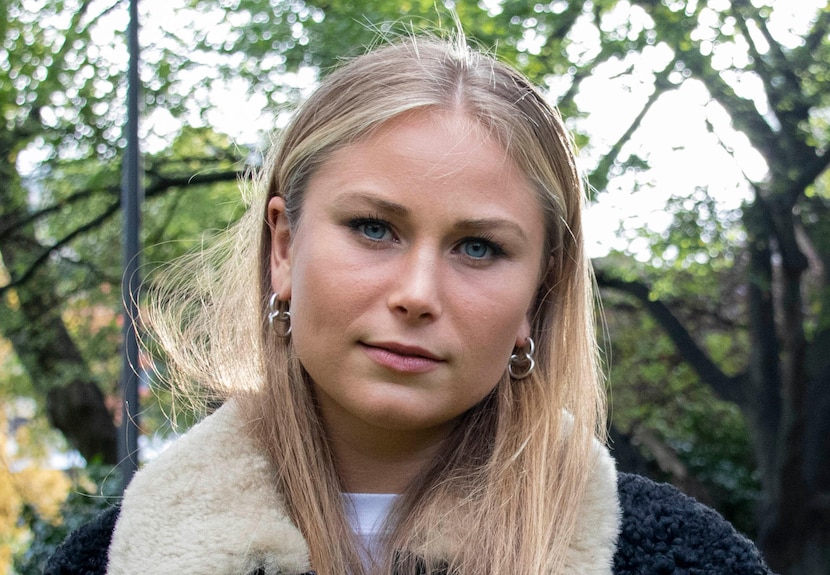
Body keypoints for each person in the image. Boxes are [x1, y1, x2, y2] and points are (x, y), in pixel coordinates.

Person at [45, 36, 774, 575]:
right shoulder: (109, 558)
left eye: (479, 247)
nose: (418, 294)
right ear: (282, 246)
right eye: (373, 228)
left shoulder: (678, 557)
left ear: (539, 294)